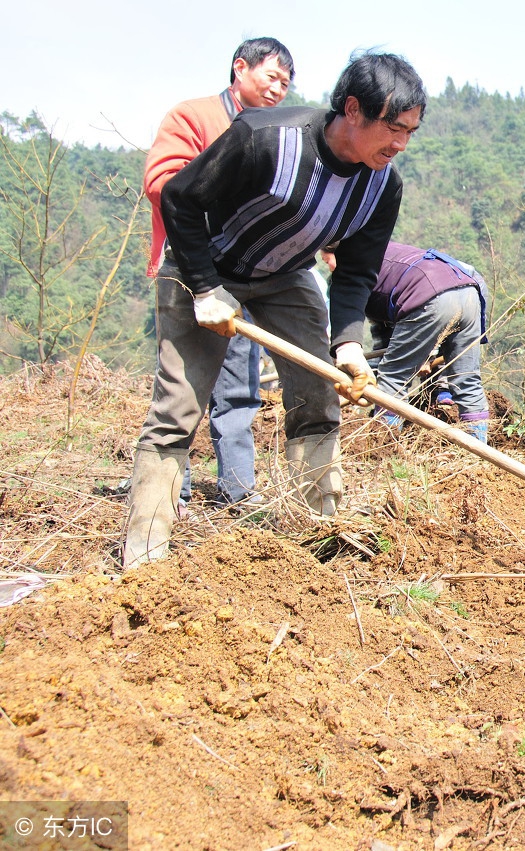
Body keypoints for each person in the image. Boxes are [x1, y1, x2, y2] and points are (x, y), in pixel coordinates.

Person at [123, 51, 426, 570]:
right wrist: (204, 288)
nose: (399, 144)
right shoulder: (265, 137)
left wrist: (348, 341)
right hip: (204, 265)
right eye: (392, 128)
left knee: (316, 401)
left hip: (286, 276)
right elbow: (177, 198)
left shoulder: (383, 186)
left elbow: (355, 271)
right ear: (352, 109)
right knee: (177, 413)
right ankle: (145, 560)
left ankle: (323, 539)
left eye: (410, 133)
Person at [143, 37, 295, 510]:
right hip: (192, 269)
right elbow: (162, 183)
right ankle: (172, 496)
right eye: (271, 77)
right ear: (240, 68)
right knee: (184, 389)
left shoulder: (276, 132)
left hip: (244, 273)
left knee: (238, 386)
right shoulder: (195, 116)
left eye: (286, 84)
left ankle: (238, 490)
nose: (278, 90)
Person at [361, 242, 491, 443]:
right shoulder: (384, 253)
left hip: (432, 298)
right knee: (467, 379)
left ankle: (382, 448)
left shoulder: (358, 273)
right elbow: (386, 339)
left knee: (393, 377)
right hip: (471, 294)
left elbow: (391, 350)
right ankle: (479, 453)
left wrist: (427, 355)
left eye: (328, 259)